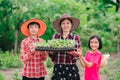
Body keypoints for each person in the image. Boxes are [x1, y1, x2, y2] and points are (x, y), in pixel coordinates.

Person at [49, 14, 81, 80]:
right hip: (58, 67)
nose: (65, 25)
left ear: (71, 25)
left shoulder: (75, 37)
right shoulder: (55, 37)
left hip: (71, 67)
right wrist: (51, 52)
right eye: (63, 23)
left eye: (68, 23)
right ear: (60, 25)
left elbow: (78, 55)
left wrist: (73, 54)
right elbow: (52, 54)